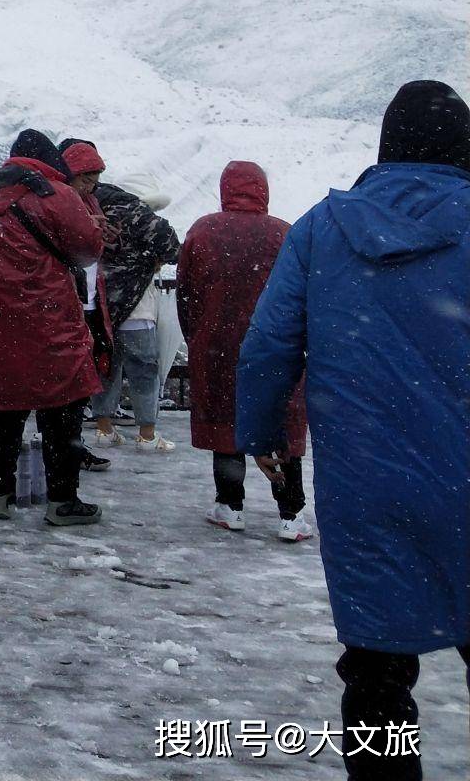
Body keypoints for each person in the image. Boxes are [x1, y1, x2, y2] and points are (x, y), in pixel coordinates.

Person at [239, 80, 470, 780]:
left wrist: (263, 435)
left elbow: (267, 347)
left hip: (368, 484)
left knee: (374, 667)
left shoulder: (322, 228)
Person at [0, 129, 105, 525]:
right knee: (63, 411)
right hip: (51, 319)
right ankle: (62, 501)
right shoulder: (55, 195)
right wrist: (93, 224)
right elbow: (88, 251)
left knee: (5, 410)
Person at [176, 161, 310, 537]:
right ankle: (291, 514)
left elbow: (185, 294)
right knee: (278, 422)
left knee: (226, 423)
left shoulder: (203, 231)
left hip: (217, 345)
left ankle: (230, 505)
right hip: (273, 344)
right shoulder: (285, 233)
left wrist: (197, 336)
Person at [89, 171, 182, 451]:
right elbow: (174, 251)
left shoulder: (97, 213)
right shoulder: (142, 217)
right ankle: (147, 434)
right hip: (137, 309)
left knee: (106, 367)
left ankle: (104, 429)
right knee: (144, 370)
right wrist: (148, 259)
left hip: (102, 307)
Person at [56, 138, 115, 474]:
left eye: (94, 180)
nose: (91, 187)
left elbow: (103, 244)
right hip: (68, 303)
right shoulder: (57, 203)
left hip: (91, 302)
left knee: (82, 381)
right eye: (85, 179)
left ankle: (72, 446)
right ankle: (58, 449)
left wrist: (102, 231)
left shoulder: (90, 201)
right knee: (63, 384)